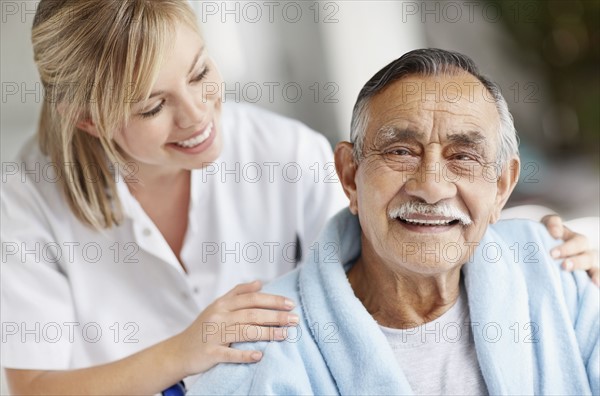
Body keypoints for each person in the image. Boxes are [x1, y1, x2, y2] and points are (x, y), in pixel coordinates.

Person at [0, 1, 594, 394]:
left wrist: (534, 243)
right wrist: (187, 350)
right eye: (153, 106)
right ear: (87, 120)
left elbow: (392, 238)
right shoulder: (26, 200)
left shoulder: (281, 152)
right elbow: (32, 387)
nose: (197, 115)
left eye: (202, 73)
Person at [189, 49, 599, 395]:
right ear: (350, 176)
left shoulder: (558, 274)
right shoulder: (258, 349)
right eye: (401, 151)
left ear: (503, 186)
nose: (431, 187)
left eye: (464, 156)